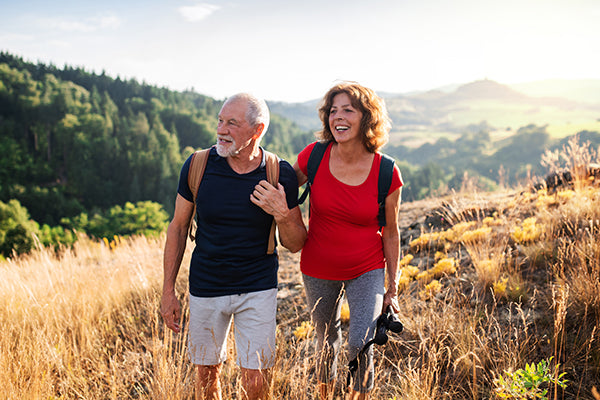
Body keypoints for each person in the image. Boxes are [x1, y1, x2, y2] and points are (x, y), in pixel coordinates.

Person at [161, 93, 307, 400]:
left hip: (257, 287)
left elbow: (295, 244)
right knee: (206, 377)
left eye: (232, 123)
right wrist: (167, 290)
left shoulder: (279, 173)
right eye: (220, 120)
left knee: (255, 383)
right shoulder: (198, 165)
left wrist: (281, 212)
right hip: (205, 286)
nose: (221, 130)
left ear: (258, 130)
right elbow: (178, 227)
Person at [293, 82, 403, 400]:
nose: (337, 117)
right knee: (326, 342)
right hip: (317, 267)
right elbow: (282, 188)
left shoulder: (387, 172)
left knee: (360, 341)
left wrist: (391, 289)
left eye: (348, 110)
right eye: (333, 110)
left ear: (366, 118)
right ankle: (324, 395)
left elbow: (392, 232)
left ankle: (359, 395)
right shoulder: (314, 156)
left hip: (366, 268)